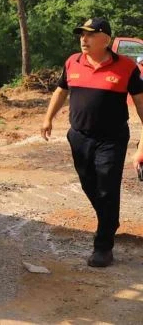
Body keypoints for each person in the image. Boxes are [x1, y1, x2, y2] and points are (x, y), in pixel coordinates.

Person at [41, 17, 143, 267]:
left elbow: (141, 103)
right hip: (79, 137)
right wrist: (48, 118)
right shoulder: (72, 62)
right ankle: (109, 218)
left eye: (89, 35)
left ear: (105, 39)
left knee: (107, 186)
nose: (83, 39)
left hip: (112, 139)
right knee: (89, 184)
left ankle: (103, 246)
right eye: (81, 35)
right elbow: (61, 90)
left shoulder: (127, 68)